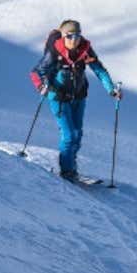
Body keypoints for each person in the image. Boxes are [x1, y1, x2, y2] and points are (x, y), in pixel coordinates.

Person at [29, 20, 120, 181]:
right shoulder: (55, 51)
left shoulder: (84, 49)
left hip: (79, 96)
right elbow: (36, 73)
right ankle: (66, 171)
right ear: (64, 36)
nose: (74, 40)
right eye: (70, 36)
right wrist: (42, 87)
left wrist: (111, 89)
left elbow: (99, 69)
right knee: (69, 135)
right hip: (58, 98)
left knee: (77, 134)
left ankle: (72, 166)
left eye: (77, 35)